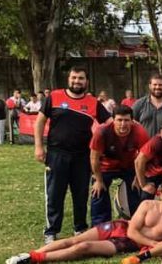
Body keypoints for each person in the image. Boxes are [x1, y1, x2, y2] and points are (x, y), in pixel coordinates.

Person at [6, 180, 162, 264]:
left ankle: (34, 259)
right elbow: (132, 230)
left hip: (129, 244)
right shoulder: (147, 205)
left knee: (83, 247)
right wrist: (154, 245)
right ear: (159, 194)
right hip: (121, 227)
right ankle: (30, 254)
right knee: (71, 240)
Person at [35, 67, 111, 242]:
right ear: (69, 79)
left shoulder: (93, 103)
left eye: (81, 78)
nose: (77, 81)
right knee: (54, 194)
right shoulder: (54, 97)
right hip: (56, 154)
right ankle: (51, 231)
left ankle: (80, 228)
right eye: (74, 78)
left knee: (81, 194)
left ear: (87, 82)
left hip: (82, 156)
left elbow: (109, 123)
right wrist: (39, 147)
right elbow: (40, 121)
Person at [89, 104, 150, 224]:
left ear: (132, 121)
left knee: (137, 189)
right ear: (113, 120)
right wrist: (98, 180)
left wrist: (139, 177)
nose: (123, 124)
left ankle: (137, 222)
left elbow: (146, 157)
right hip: (106, 166)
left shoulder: (140, 131)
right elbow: (94, 158)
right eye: (119, 120)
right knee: (98, 191)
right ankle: (100, 225)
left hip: (129, 165)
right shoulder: (102, 131)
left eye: (126, 120)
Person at [131, 72, 162, 137]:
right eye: (155, 84)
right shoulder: (139, 104)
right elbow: (129, 120)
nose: (157, 87)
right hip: (143, 144)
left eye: (160, 85)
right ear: (150, 86)